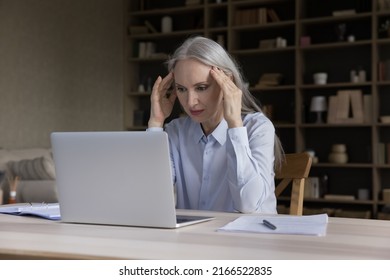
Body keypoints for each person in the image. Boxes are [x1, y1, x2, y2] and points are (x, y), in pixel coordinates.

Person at [147, 36, 284, 214]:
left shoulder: (258, 128)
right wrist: (156, 122)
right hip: (195, 240)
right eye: (181, 89)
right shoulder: (175, 131)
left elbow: (248, 205)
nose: (190, 102)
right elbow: (151, 197)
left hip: (250, 239)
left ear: (226, 83)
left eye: (201, 87)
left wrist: (235, 125)